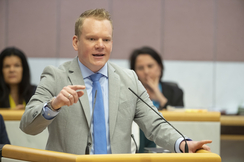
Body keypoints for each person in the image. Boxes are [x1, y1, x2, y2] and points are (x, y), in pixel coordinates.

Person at [20, 8, 211, 155]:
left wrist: (182, 143)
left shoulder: (129, 79)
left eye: (106, 39)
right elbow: (27, 125)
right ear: (76, 42)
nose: (100, 45)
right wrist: (53, 105)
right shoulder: (56, 76)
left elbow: (155, 124)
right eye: (92, 38)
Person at [130, 46, 184, 152]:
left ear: (159, 67)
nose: (146, 71)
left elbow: (181, 121)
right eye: (140, 68)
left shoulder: (175, 91)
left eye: (150, 66)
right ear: (134, 72)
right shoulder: (130, 92)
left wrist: (160, 98)